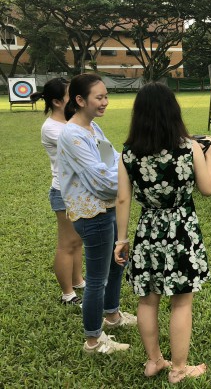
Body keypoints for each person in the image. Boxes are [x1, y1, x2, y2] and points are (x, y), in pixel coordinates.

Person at [114, 82, 211, 383]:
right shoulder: (189, 147)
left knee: (147, 300)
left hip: (148, 230)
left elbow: (122, 199)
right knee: (181, 301)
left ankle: (154, 361)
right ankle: (179, 370)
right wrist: (210, 155)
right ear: (174, 111)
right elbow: (208, 188)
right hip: (182, 229)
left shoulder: (129, 154)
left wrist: (121, 239)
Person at [57, 73, 136, 355]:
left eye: (106, 96)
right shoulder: (71, 135)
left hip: (109, 209)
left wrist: (126, 173)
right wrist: (129, 180)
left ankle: (112, 315)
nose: (105, 102)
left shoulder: (93, 129)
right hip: (93, 215)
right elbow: (99, 178)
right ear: (80, 100)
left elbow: (114, 161)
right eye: (99, 97)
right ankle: (93, 340)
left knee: (117, 265)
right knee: (97, 279)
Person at [31, 78, 85, 306]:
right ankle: (67, 294)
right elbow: (85, 152)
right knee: (67, 243)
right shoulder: (53, 129)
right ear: (56, 101)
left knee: (78, 241)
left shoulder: (72, 122)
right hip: (64, 192)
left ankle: (78, 281)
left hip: (80, 191)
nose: (75, 99)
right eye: (69, 96)